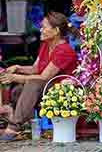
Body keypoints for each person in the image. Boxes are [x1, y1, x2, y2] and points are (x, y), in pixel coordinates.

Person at [0, 12, 79, 141]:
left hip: (62, 90)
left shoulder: (64, 51)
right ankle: (24, 123)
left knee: (33, 83)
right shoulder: (45, 45)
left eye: (44, 27)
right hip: (46, 87)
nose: (40, 30)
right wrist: (17, 68)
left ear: (56, 31)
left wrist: (15, 77)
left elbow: (43, 77)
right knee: (18, 90)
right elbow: (35, 69)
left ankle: (14, 127)